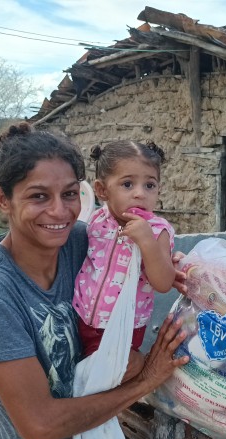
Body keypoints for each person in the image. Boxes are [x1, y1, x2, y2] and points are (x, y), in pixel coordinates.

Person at [0, 123, 188, 439]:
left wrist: (168, 261)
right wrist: (146, 379)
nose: (60, 211)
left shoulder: (82, 242)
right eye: (39, 196)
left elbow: (141, 256)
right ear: (3, 199)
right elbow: (41, 426)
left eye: (69, 194)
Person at [73, 140, 176, 358]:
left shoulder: (158, 231)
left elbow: (164, 283)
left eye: (149, 185)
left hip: (125, 327)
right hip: (81, 316)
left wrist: (147, 242)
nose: (140, 194)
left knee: (114, 378)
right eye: (127, 184)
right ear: (102, 190)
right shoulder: (97, 220)